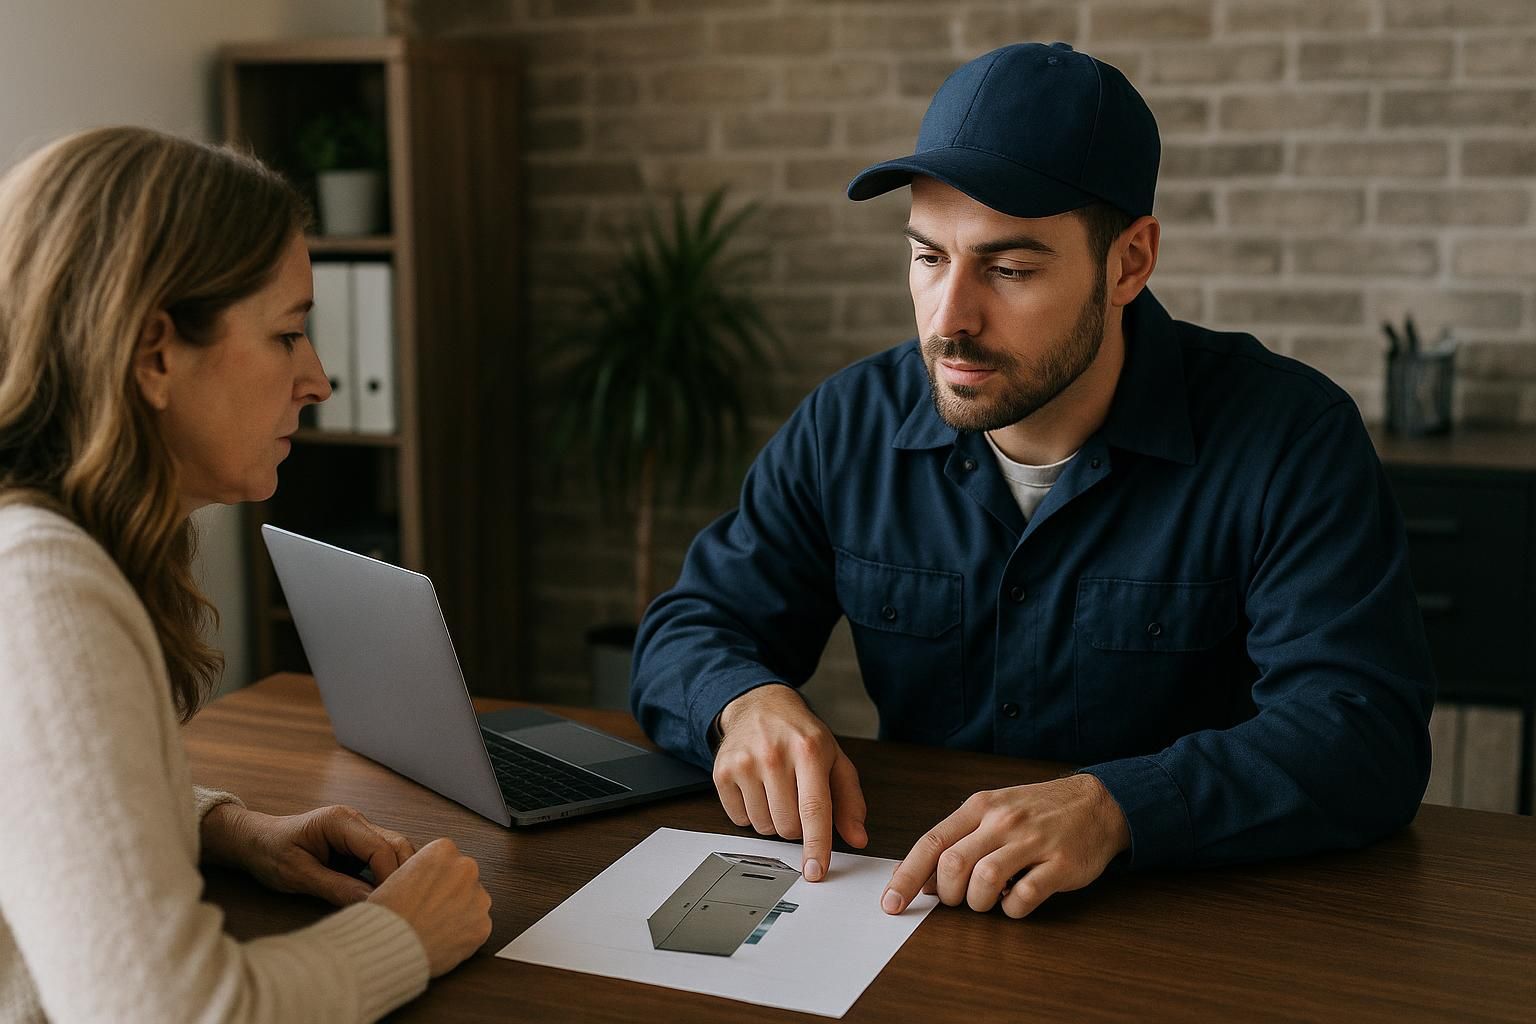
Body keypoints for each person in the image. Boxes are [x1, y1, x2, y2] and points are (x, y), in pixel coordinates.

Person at [630, 42, 1435, 920]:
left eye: (1009, 270)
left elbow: (1363, 732)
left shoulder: (1289, 436)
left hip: (1191, 927)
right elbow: (691, 624)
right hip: (912, 910)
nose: (950, 321)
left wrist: (1120, 806)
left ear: (1129, 263)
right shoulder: (847, 424)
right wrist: (741, 703)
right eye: (929, 257)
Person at [0, 127, 491, 1022]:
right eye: (288, 333)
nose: (318, 379)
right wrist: (406, 937)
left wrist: (223, 828)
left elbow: (31, 796)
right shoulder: (39, 590)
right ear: (155, 353)